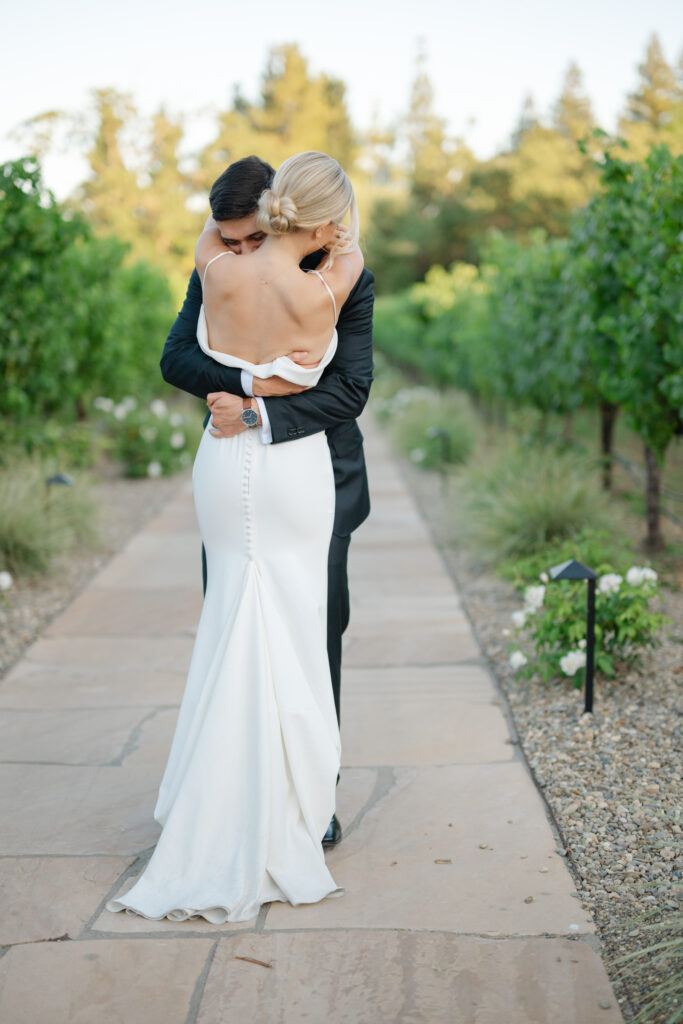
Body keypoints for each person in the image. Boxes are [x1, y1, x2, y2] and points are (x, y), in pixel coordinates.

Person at [106, 152, 368, 924]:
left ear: (279, 217)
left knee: (316, 627)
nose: (243, 252)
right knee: (234, 625)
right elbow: (177, 356)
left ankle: (311, 799)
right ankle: (227, 790)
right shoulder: (232, 261)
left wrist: (258, 409)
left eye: (255, 238)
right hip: (237, 465)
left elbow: (350, 389)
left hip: (316, 470)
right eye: (231, 241)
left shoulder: (344, 279)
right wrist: (252, 384)